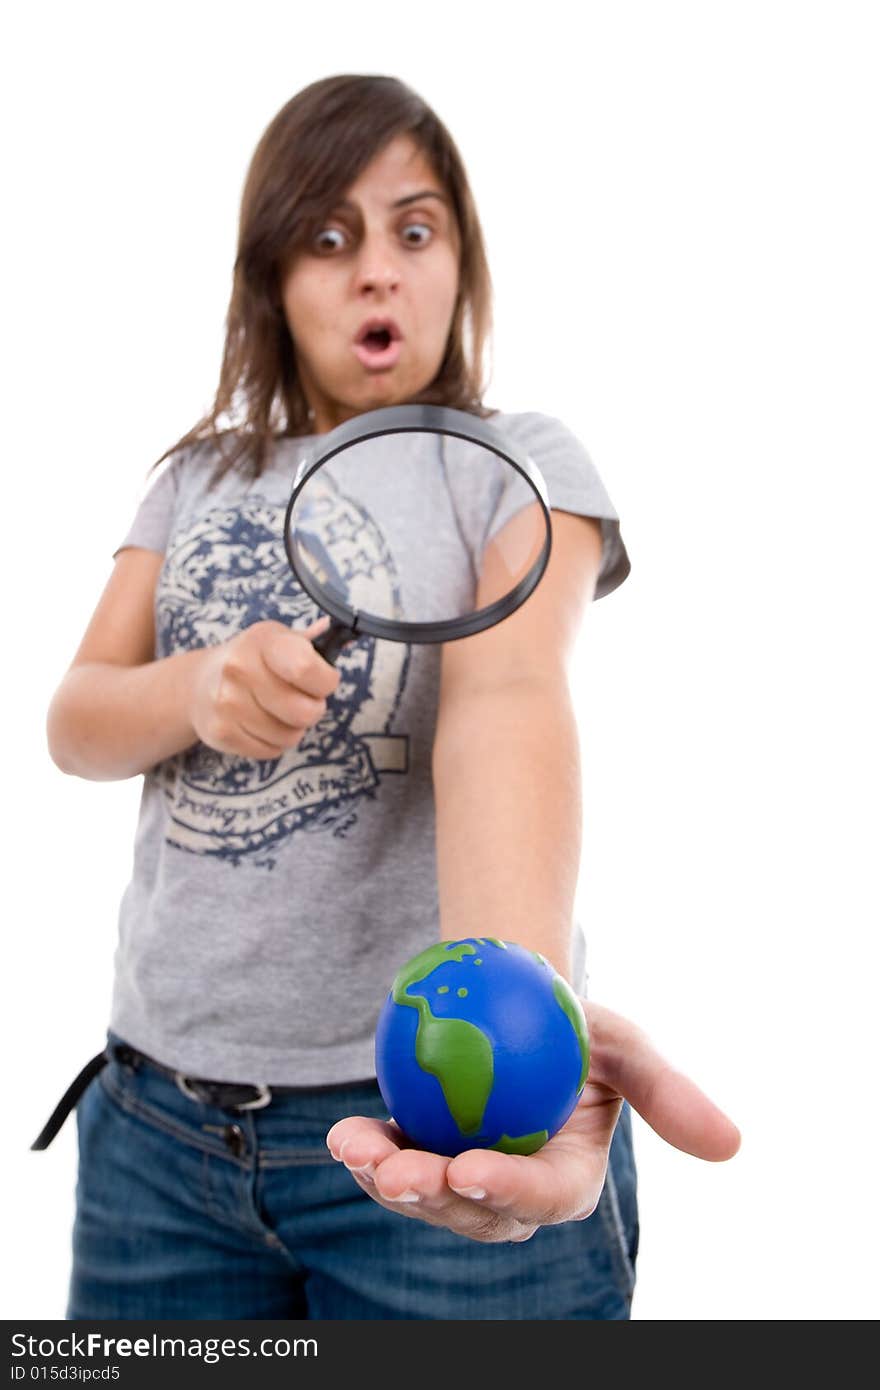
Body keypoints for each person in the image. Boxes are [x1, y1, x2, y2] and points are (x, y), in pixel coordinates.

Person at [37, 74, 740, 1321]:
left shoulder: (514, 462)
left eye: (413, 231)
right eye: (328, 237)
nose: (375, 271)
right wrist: (201, 686)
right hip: (154, 1134)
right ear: (272, 280)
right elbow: (78, 717)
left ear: (460, 264)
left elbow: (506, 695)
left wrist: (497, 1028)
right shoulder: (195, 477)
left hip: (405, 1126)